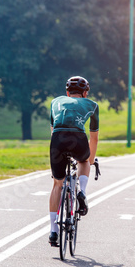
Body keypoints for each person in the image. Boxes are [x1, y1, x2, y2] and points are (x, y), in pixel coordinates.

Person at [48, 76, 99, 246]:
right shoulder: (92, 105)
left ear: (67, 93)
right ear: (85, 93)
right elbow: (94, 139)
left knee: (57, 184)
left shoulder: (55, 102)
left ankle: (53, 232)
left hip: (57, 140)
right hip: (78, 139)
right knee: (83, 161)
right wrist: (89, 162)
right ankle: (82, 192)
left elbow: (53, 131)